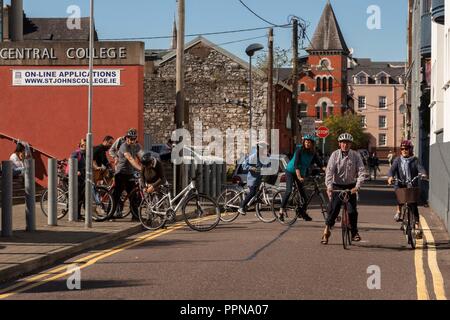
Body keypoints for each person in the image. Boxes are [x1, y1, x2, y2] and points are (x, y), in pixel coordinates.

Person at [321, 133, 366, 245]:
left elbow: (361, 171)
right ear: (339, 143)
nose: (345, 145)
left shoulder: (356, 155)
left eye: (347, 143)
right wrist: (329, 187)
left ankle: (354, 233)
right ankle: (326, 231)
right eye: (343, 142)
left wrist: (357, 186)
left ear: (350, 144)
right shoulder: (334, 155)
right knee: (334, 209)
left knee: (352, 211)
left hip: (351, 187)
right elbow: (329, 172)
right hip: (337, 186)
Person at [278, 134, 324, 222]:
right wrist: (299, 176)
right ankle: (281, 211)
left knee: (304, 197)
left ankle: (302, 213)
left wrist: (328, 171)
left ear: (312, 144)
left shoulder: (313, 153)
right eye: (306, 142)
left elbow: (320, 165)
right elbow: (296, 165)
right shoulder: (299, 151)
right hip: (291, 171)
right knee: (289, 190)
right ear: (304, 142)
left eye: (309, 142)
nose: (307, 144)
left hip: (301, 174)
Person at [387, 140, 427, 239]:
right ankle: (399, 210)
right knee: (400, 197)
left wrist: (423, 174)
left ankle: (417, 227)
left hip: (411, 184)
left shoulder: (414, 160)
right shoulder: (397, 160)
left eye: (406, 149)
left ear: (410, 150)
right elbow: (392, 170)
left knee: (413, 204)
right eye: (402, 149)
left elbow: (420, 168)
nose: (404, 150)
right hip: (400, 183)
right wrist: (390, 177)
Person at [113, 128, 143, 219]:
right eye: (130, 138)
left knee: (133, 195)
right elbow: (130, 159)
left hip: (130, 174)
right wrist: (141, 169)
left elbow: (141, 156)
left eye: (134, 138)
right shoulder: (124, 146)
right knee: (116, 195)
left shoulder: (137, 146)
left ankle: (135, 216)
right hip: (121, 173)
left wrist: (148, 165)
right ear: (126, 138)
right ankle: (109, 214)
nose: (132, 140)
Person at [238, 141, 271, 215]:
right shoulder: (253, 157)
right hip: (252, 179)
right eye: (263, 149)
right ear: (259, 149)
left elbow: (269, 166)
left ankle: (256, 210)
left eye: (266, 149)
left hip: (259, 179)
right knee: (252, 192)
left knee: (257, 194)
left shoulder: (267, 157)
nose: (265, 150)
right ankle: (241, 207)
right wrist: (251, 168)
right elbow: (244, 165)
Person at [71, 139, 87, 214]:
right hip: (76, 177)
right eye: (83, 145)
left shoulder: (85, 154)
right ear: (80, 145)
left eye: (86, 145)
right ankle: (76, 214)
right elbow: (72, 163)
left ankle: (79, 214)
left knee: (82, 196)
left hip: (82, 176)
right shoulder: (76, 153)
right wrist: (76, 171)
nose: (84, 146)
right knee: (78, 195)